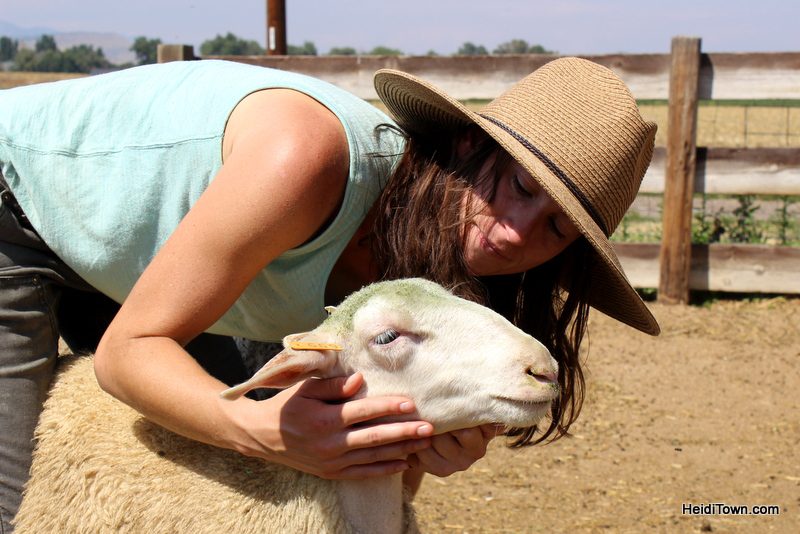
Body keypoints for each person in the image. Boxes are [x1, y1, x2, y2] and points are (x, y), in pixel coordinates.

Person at [0, 56, 658, 531]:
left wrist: (416, 446)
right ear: (467, 143)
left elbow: (366, 447)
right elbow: (128, 352)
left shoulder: (450, 275)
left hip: (148, 259)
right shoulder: (306, 161)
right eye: (519, 186)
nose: (517, 233)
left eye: (555, 227)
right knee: (15, 499)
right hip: (17, 210)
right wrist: (259, 429)